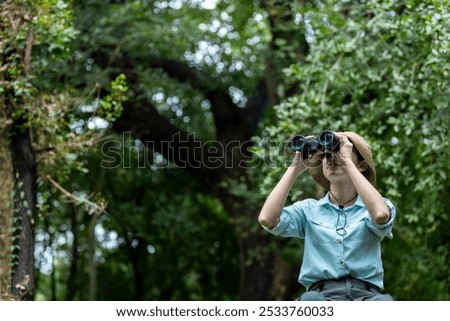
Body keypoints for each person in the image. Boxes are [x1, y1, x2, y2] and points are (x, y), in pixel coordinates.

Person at [258, 131, 396, 301]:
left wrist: (346, 161)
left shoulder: (376, 206)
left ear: (362, 165)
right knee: (309, 302)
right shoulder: (308, 210)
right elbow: (267, 219)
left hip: (367, 297)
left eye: (337, 153)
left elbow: (381, 215)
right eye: (325, 155)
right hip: (321, 297)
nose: (331, 158)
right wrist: (295, 167)